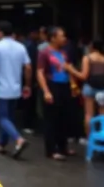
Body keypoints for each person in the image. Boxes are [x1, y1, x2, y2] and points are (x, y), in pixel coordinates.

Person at [0, 21, 31, 157]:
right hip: (16, 88)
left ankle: (18, 139)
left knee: (2, 117)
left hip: (2, 88)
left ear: (0, 32)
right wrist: (27, 85)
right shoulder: (21, 47)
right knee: (9, 117)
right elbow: (28, 67)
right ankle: (1, 143)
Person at [37, 26, 74, 160]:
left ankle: (63, 147)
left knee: (63, 118)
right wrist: (46, 91)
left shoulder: (64, 53)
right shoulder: (45, 52)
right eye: (61, 36)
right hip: (52, 86)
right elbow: (40, 72)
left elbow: (67, 69)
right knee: (51, 119)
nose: (64, 38)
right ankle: (51, 150)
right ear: (53, 38)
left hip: (64, 86)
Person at [67, 39, 104, 138]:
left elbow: (84, 76)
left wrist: (71, 70)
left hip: (90, 87)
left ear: (92, 47)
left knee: (89, 115)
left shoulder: (87, 58)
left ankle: (90, 139)